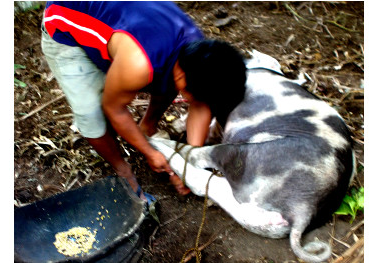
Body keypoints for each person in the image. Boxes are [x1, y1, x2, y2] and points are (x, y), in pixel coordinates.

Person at [40, 1, 247, 205]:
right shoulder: (138, 65)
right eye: (194, 97)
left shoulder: (199, 52)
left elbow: (200, 105)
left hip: (128, 29)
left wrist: (188, 167)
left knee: (163, 79)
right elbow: (114, 109)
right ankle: (123, 171)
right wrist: (150, 153)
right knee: (90, 113)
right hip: (64, 23)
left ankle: (147, 126)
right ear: (183, 78)